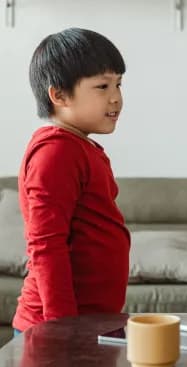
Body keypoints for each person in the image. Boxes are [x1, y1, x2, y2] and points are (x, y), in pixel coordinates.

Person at [13, 28, 130, 334]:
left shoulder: (78, 147)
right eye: (102, 86)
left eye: (118, 84)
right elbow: (46, 245)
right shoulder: (56, 152)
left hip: (90, 321)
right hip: (59, 328)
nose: (116, 97)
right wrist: (62, 329)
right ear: (59, 95)